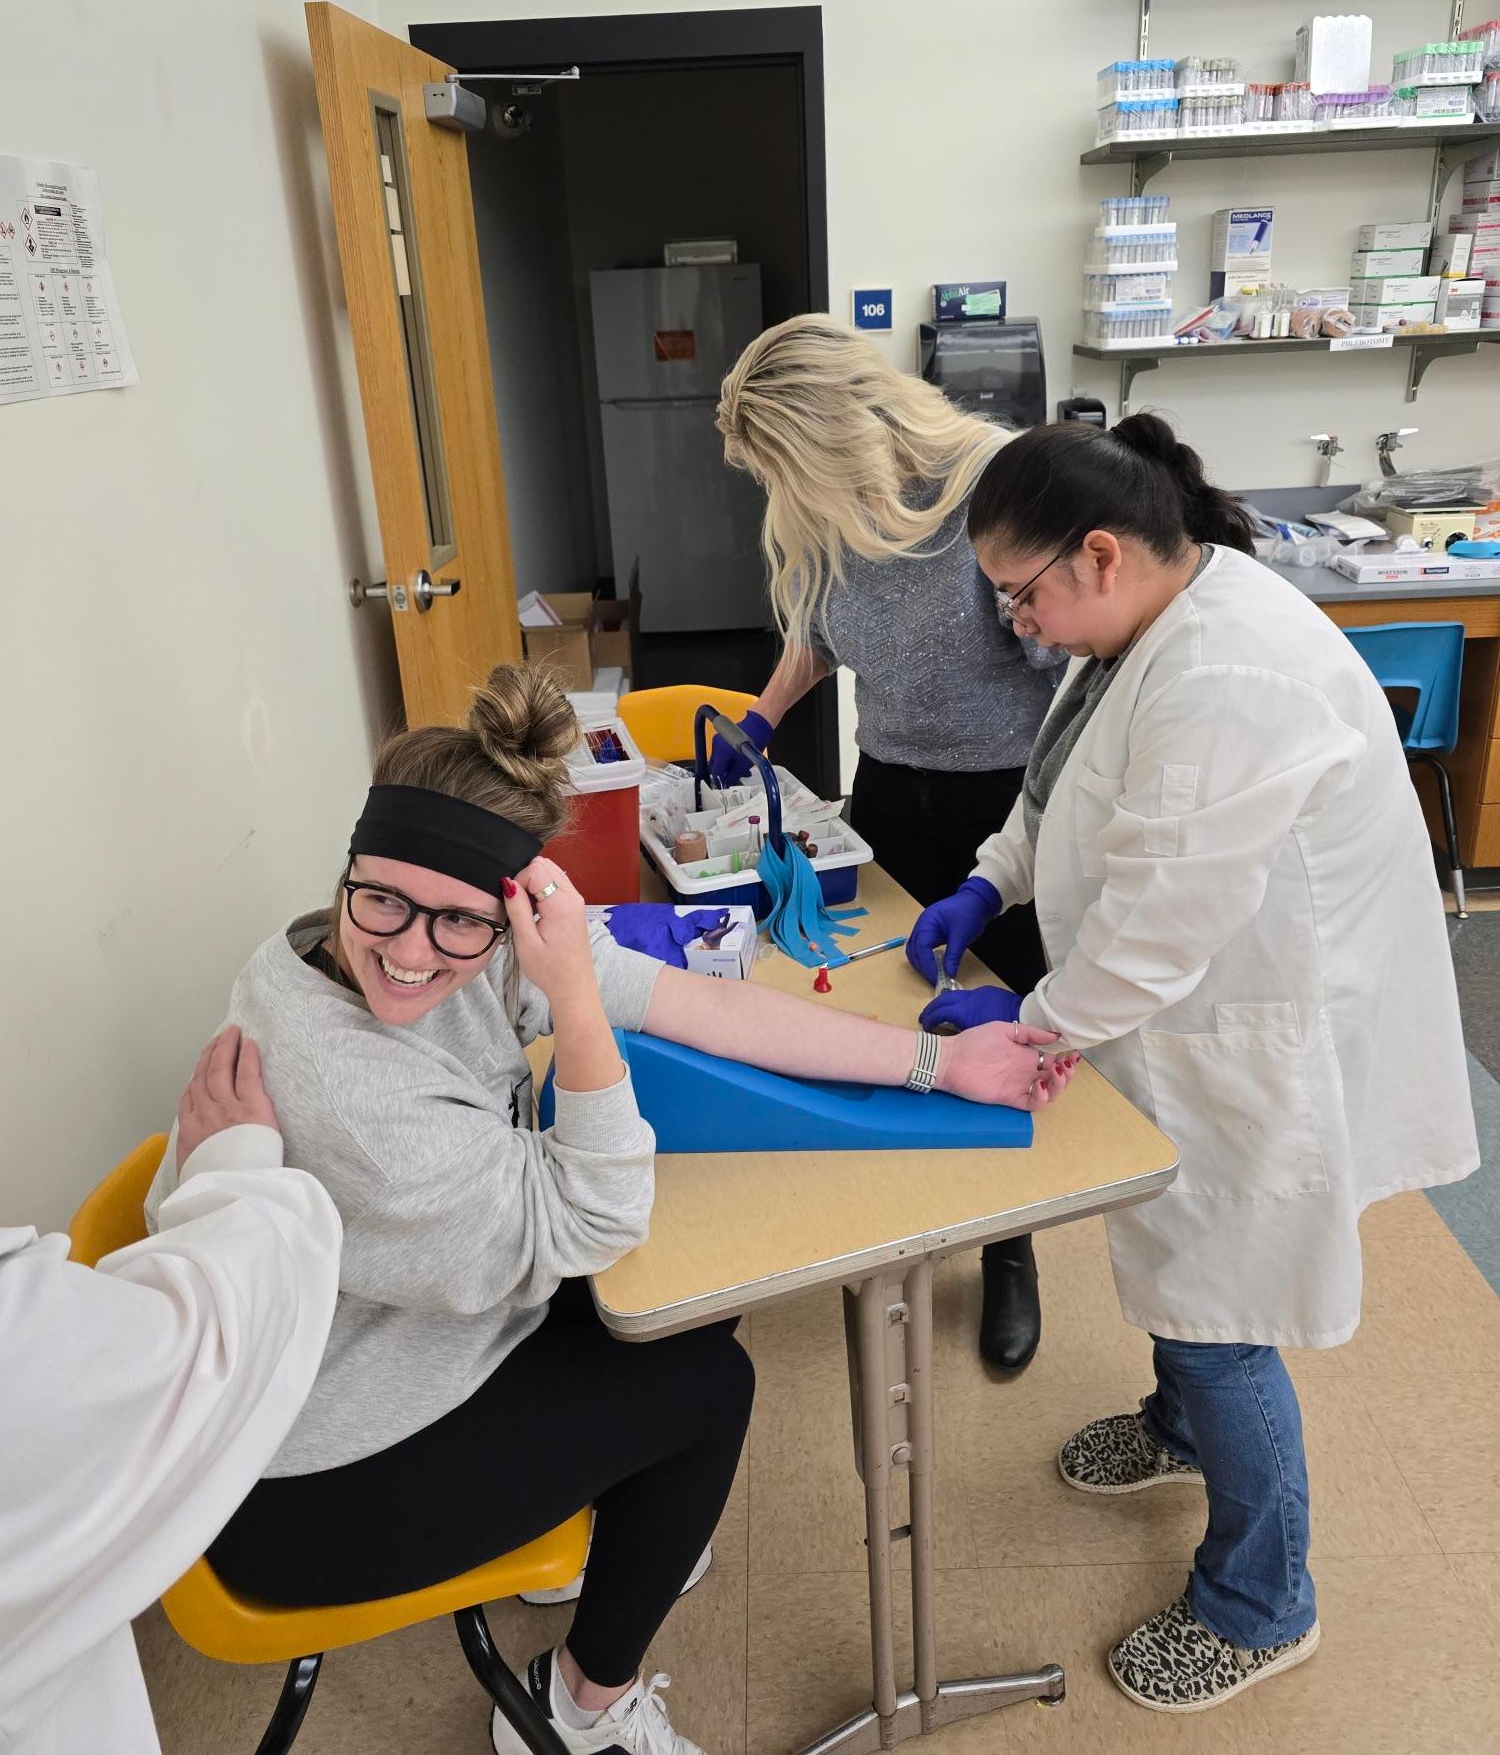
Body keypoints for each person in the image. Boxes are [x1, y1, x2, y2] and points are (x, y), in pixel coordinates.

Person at [144, 660, 1071, 1755]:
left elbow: (695, 1007)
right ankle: (579, 1706)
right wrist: (577, 1006)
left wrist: (934, 1061)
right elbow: (598, 1216)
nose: (406, 949)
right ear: (348, 867)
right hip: (301, 1478)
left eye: (455, 923)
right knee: (706, 1381)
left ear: (508, 908)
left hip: (391, 1332)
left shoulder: (353, 937)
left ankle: (616, 1526)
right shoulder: (359, 1088)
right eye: (380, 898)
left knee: (693, 1299)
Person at [908, 412, 1480, 1713]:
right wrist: (987, 888)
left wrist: (1025, 1030)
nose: (1018, 623)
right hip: (1190, 1011)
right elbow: (1054, 792)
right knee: (1178, 1261)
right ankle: (1173, 1428)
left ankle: (1262, 1599)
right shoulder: (1139, 625)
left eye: (1020, 594)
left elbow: (1157, 932)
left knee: (1227, 1317)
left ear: (1098, 555)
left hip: (1257, 1027)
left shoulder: (1233, 673)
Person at [714, 313, 1068, 1373]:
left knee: (1008, 1026)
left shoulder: (998, 484)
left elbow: (1081, 654)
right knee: (895, 1001)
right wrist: (763, 720)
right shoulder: (837, 510)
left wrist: (1035, 630)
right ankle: (907, 1208)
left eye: (789, 469)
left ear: (839, 432)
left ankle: (1010, 1244)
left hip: (1007, 804)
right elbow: (820, 630)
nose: (790, 501)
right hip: (889, 792)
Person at [0, 1029, 341, 1755]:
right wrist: (241, 1171)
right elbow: (206, 1350)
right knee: (648, 1386)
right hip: (267, 1492)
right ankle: (584, 1700)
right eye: (382, 903)